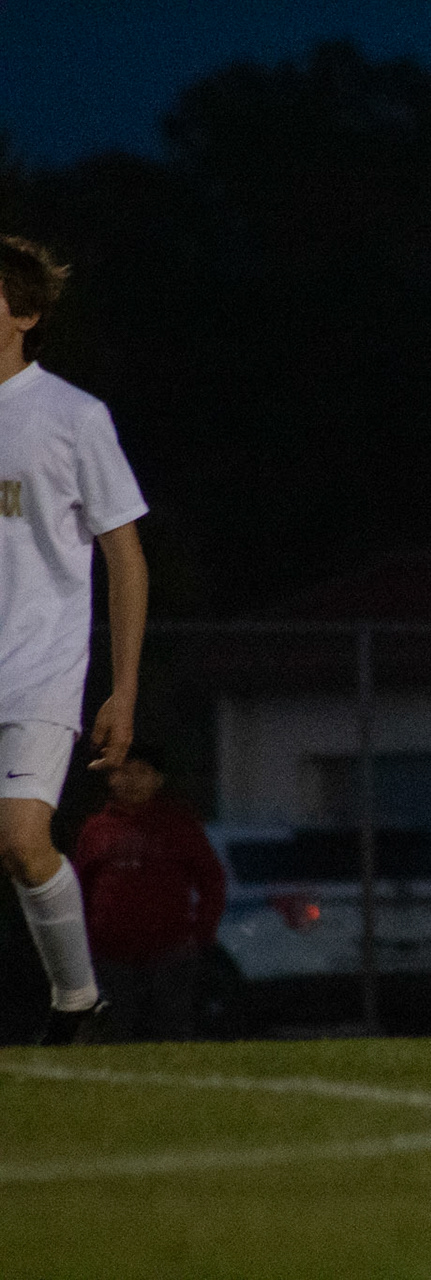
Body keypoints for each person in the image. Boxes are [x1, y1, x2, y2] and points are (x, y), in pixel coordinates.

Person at [0, 235, 149, 1046]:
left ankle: (76, 1000)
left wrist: (123, 689)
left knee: (23, 842)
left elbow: (124, 555)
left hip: (39, 669)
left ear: (26, 315)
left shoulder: (72, 416)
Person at [70, 742, 226, 1042]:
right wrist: (85, 941)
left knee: (171, 1033)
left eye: (142, 772)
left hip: (170, 953)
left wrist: (201, 933)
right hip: (110, 956)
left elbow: (211, 880)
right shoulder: (97, 828)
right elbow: (80, 889)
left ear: (158, 779)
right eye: (124, 772)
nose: (132, 780)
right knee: (113, 1035)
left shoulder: (179, 825)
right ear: (111, 778)